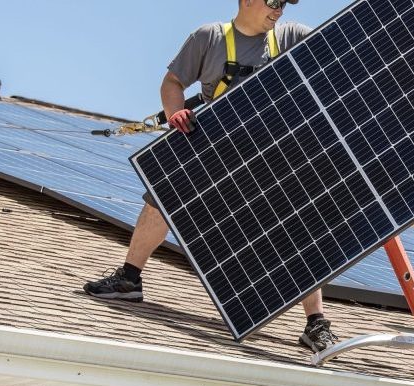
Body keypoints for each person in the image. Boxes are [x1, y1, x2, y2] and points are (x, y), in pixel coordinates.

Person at [85, 0, 340, 353]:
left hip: (273, 153)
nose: (280, 10)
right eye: (275, 2)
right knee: (162, 197)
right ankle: (129, 280)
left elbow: (339, 56)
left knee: (298, 227)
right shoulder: (209, 37)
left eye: (285, 3)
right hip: (214, 148)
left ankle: (315, 323)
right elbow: (173, 81)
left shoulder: (291, 36)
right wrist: (175, 114)